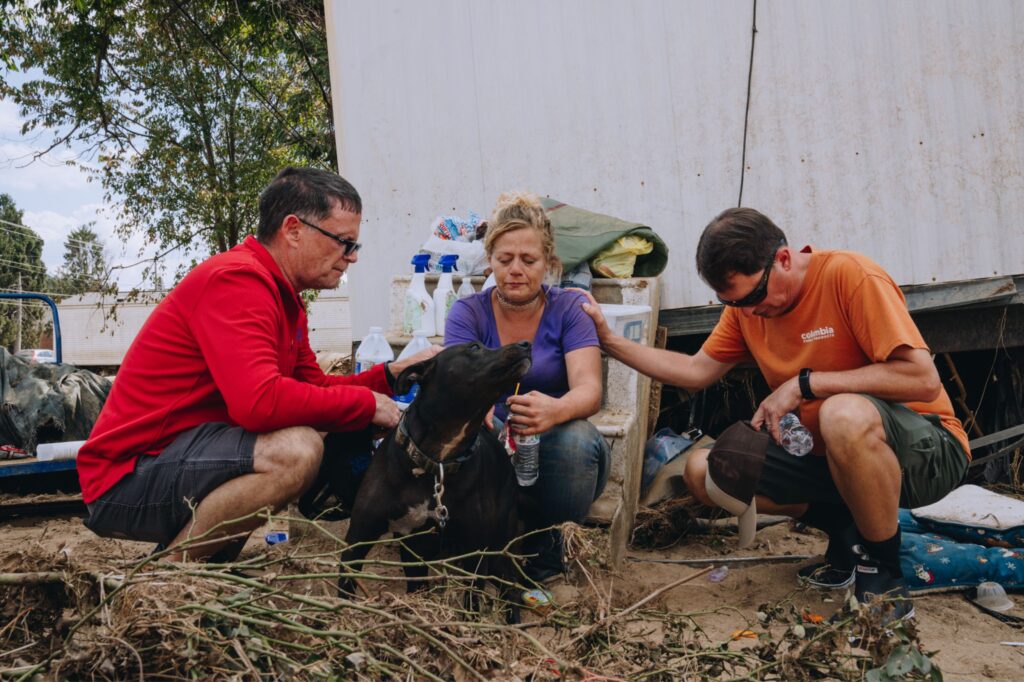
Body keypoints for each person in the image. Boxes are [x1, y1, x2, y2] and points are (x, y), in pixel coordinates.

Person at [580, 207, 970, 620]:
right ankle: (845, 530)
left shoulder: (850, 276)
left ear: (783, 259)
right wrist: (610, 341)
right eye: (729, 302)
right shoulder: (746, 309)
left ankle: (884, 578)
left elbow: (922, 379)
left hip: (926, 451)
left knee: (841, 414)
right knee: (706, 471)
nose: (745, 312)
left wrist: (804, 384)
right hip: (834, 460)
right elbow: (695, 372)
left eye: (750, 298)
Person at [78, 167, 438, 561]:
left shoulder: (284, 298)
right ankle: (167, 580)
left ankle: (208, 567)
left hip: (179, 459)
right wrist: (369, 406)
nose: (350, 258)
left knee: (305, 433)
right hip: (130, 477)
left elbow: (314, 390)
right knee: (295, 450)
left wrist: (390, 377)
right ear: (293, 229)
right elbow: (259, 401)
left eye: (355, 246)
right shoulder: (237, 281)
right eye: (343, 242)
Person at [444, 191, 610, 582]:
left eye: (529, 260)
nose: (515, 269)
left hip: (554, 449)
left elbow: (589, 390)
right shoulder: (468, 313)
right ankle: (476, 555)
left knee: (577, 441)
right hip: (491, 448)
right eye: (504, 259)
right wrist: (474, 405)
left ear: (550, 263)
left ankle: (546, 558)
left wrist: (556, 411)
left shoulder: (569, 308)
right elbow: (455, 383)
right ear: (489, 262)